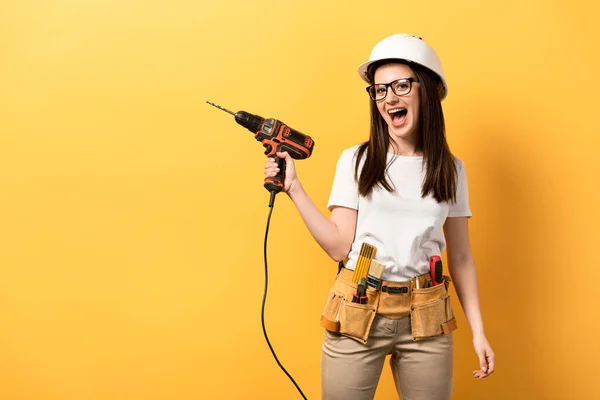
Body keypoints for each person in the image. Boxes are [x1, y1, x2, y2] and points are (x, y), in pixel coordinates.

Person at [264, 33, 495, 400]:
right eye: (380, 90)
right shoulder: (355, 160)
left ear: (428, 91)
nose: (389, 98)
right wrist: (294, 189)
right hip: (358, 306)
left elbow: (462, 257)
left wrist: (479, 331)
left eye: (401, 85)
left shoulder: (451, 170)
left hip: (428, 314)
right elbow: (340, 246)